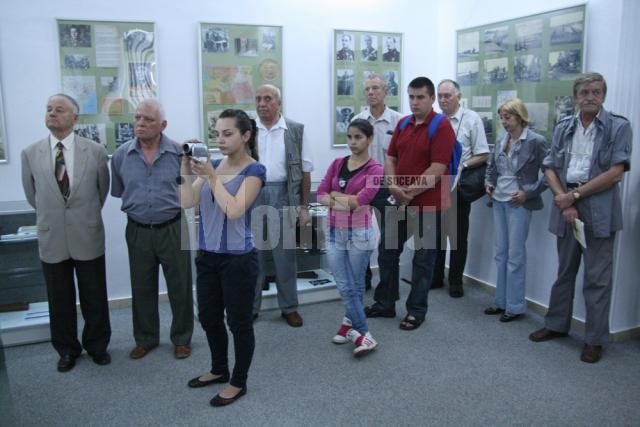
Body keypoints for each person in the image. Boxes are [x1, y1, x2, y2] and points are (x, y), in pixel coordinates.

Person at [529, 72, 632, 363]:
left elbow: (615, 173)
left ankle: (594, 340)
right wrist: (564, 199)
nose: (590, 97)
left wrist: (574, 197)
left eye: (596, 92)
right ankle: (556, 324)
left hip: (598, 209)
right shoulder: (564, 126)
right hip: (566, 204)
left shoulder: (618, 127)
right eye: (585, 92)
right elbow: (549, 166)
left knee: (597, 278)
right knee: (564, 271)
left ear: (603, 95)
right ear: (576, 97)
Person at [181, 109, 265, 407]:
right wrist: (186, 168)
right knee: (208, 317)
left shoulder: (254, 171)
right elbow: (186, 201)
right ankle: (219, 369)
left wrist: (212, 176)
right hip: (207, 257)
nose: (221, 139)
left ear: (246, 136)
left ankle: (238, 382)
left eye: (227, 133)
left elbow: (233, 209)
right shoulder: (212, 165)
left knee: (239, 323)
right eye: (217, 134)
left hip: (238, 260)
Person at [21, 94, 111, 372]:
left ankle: (97, 346)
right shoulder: (30, 153)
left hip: (87, 233)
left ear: (75, 117)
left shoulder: (95, 151)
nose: (52, 113)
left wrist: (80, 217)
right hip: (52, 236)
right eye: (49, 109)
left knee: (94, 294)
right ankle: (67, 349)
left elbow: (102, 191)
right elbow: (31, 195)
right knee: (58, 298)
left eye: (60, 110)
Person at [365, 77, 456, 331]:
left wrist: (410, 192)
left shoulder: (442, 126)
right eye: (411, 97)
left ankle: (416, 311)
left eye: (420, 97)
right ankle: (385, 303)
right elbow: (391, 157)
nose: (415, 102)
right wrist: (394, 186)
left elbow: (438, 168)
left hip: (429, 205)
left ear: (431, 99)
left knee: (423, 259)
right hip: (400, 200)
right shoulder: (403, 123)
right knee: (387, 250)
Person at [111, 99, 194, 360]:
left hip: (172, 226)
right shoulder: (122, 154)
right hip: (137, 230)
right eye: (137, 118)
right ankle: (146, 339)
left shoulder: (179, 153)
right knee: (142, 286)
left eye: (147, 119)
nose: (140, 124)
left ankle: (181, 338)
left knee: (180, 285)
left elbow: (190, 188)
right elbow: (118, 190)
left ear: (162, 125)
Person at [317, 119, 383, 357]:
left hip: (360, 233)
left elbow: (359, 201)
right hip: (334, 231)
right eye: (350, 137)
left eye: (358, 137)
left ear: (369, 139)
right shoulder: (337, 163)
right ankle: (359, 330)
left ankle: (355, 329)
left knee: (353, 286)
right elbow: (320, 193)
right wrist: (343, 200)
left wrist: (336, 197)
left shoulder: (376, 170)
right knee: (345, 286)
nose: (353, 142)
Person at [252, 84, 313, 326]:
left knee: (284, 256)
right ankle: (250, 308)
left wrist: (304, 207)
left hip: (284, 194)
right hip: (252, 193)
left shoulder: (295, 130)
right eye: (258, 99)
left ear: (279, 103)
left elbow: (306, 171)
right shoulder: (247, 128)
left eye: (268, 98)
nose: (262, 103)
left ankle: (289, 307)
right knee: (252, 256)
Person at [484, 99, 548, 322]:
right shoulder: (502, 140)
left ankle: (515, 305)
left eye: (508, 117)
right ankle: (500, 301)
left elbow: (548, 173)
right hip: (499, 200)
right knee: (501, 253)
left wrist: (528, 193)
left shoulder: (536, 141)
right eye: (501, 117)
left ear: (520, 117)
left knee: (515, 256)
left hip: (518, 203)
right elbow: (491, 168)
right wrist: (488, 184)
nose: (504, 122)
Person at [432, 79, 490, 297]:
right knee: (436, 236)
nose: (443, 100)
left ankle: (455, 281)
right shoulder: (435, 121)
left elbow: (483, 153)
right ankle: (436, 277)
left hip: (458, 187)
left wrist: (463, 164)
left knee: (457, 237)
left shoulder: (472, 119)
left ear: (459, 96)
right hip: (436, 187)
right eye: (440, 96)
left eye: (448, 95)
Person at [352, 74, 403, 289]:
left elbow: (403, 156)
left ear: (385, 92)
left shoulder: (399, 121)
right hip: (363, 184)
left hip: (387, 185)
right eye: (367, 89)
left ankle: (388, 286)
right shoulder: (358, 120)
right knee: (360, 235)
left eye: (375, 88)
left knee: (389, 239)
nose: (371, 93)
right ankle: (363, 278)